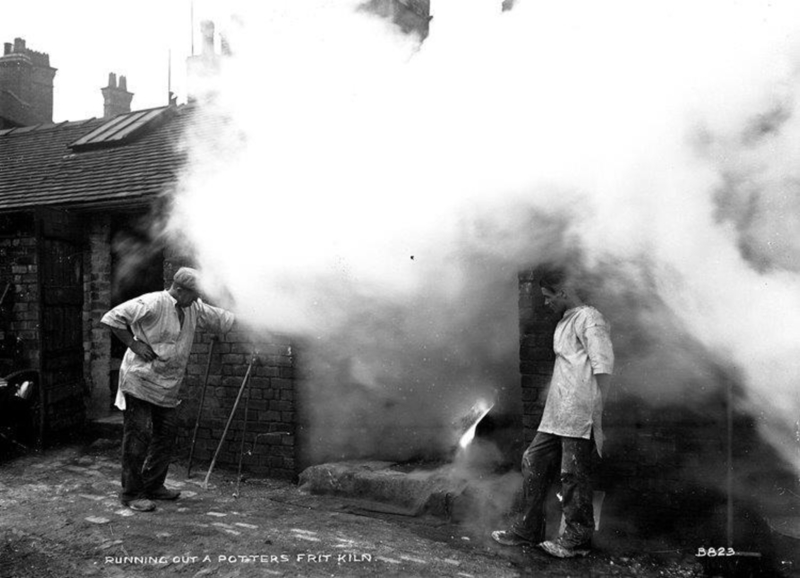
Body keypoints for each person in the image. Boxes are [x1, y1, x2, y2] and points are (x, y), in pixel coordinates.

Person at [492, 268, 614, 558]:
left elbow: (603, 367)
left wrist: (597, 412)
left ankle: (576, 539)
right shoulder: (563, 322)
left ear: (563, 292)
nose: (546, 302)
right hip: (557, 412)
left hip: (579, 411)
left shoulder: (590, 318)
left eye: (548, 297)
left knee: (573, 474)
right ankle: (527, 529)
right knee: (533, 459)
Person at [101, 267, 234, 512]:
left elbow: (221, 319)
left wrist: (257, 318)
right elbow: (113, 317)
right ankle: (131, 494)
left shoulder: (192, 307)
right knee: (138, 437)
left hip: (167, 386)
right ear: (179, 289)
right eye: (193, 293)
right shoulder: (152, 302)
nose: (197, 298)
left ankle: (153, 486)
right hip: (139, 380)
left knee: (167, 435)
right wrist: (133, 344)